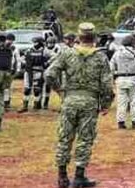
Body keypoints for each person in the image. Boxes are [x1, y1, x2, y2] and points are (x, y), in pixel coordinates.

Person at [46, 22, 114, 188]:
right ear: (94, 38)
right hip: (90, 102)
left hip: (69, 100)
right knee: (85, 138)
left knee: (64, 137)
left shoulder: (66, 53)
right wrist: (106, 103)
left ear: (78, 37)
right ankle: (79, 176)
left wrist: (59, 90)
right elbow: (106, 84)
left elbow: (49, 74)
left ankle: (62, 177)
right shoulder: (100, 57)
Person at [110, 33, 135, 129]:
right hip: (134, 79)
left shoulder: (117, 53)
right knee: (134, 101)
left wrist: (112, 78)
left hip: (121, 79)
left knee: (121, 101)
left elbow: (111, 67)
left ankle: (121, 122)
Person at [18, 35, 55, 113]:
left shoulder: (45, 51)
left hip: (38, 71)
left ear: (40, 42)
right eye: (34, 42)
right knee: (26, 89)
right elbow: (21, 58)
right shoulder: (29, 50)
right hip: (28, 72)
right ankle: (25, 106)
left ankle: (36, 105)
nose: (35, 43)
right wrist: (24, 63)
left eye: (36, 42)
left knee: (37, 89)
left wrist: (47, 63)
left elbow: (54, 56)